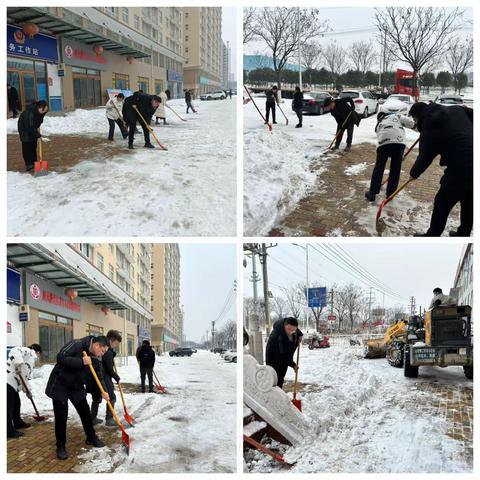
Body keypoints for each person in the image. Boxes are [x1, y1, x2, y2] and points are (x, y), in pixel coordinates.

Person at [408, 102, 473, 237]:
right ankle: (463, 233)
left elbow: (425, 156)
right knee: (469, 200)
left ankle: (432, 235)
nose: (415, 123)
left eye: (415, 120)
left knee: (442, 202)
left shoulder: (430, 124)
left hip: (460, 166)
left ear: (419, 116)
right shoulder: (456, 109)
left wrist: (414, 173)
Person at [45, 335, 110, 460]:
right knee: (61, 417)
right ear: (97, 345)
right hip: (60, 384)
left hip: (77, 386)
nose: (102, 354)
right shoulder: (77, 344)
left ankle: (91, 438)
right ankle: (61, 446)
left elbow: (99, 376)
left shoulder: (96, 358)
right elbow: (61, 357)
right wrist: (81, 361)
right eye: (102, 351)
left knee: (85, 413)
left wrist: (104, 391)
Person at [365, 110, 416, 201]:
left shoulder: (378, 125)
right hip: (398, 143)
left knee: (379, 168)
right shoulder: (396, 116)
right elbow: (410, 123)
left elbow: (385, 140)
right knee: (395, 169)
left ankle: (372, 193)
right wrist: (420, 128)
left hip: (383, 144)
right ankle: (390, 194)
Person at [7, 344, 42, 439]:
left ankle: (18, 423)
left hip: (12, 383)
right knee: (8, 407)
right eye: (39, 354)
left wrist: (27, 391)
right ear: (38, 352)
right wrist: (18, 364)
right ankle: (8, 431)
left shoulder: (29, 360)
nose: (38, 357)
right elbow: (14, 350)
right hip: (7, 380)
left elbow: (24, 378)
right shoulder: (28, 351)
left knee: (16, 404)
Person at [89, 330, 122, 427]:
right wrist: (116, 377)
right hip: (104, 377)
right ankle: (109, 418)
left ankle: (93, 418)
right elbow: (108, 369)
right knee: (112, 397)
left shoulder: (103, 348)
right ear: (111, 340)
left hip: (95, 377)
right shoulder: (107, 352)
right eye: (115, 343)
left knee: (96, 397)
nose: (115, 346)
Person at [265, 317, 303, 389]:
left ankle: (279, 393)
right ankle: (274, 397)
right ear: (284, 326)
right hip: (274, 360)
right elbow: (281, 355)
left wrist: (300, 335)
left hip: (285, 359)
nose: (290, 332)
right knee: (275, 380)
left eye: (293, 330)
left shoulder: (292, 329)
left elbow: (296, 330)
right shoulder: (276, 336)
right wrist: (293, 365)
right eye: (289, 329)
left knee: (281, 377)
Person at [17, 100, 49, 173]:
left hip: (32, 129)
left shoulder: (40, 112)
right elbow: (29, 126)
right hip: (24, 130)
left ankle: (34, 163)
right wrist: (37, 135)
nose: (45, 111)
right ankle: (29, 165)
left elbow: (36, 123)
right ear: (40, 107)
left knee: (33, 146)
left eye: (46, 110)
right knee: (27, 146)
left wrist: (36, 133)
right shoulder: (30, 113)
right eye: (44, 110)